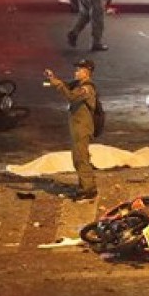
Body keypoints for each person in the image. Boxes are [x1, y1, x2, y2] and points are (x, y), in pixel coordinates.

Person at [43, 59, 98, 202]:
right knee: (78, 158)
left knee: (81, 159)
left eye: (79, 70)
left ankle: (88, 190)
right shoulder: (79, 85)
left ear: (86, 72)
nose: (76, 72)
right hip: (78, 127)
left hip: (82, 128)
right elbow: (67, 87)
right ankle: (84, 186)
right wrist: (53, 79)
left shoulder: (87, 88)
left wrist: (59, 84)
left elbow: (71, 97)